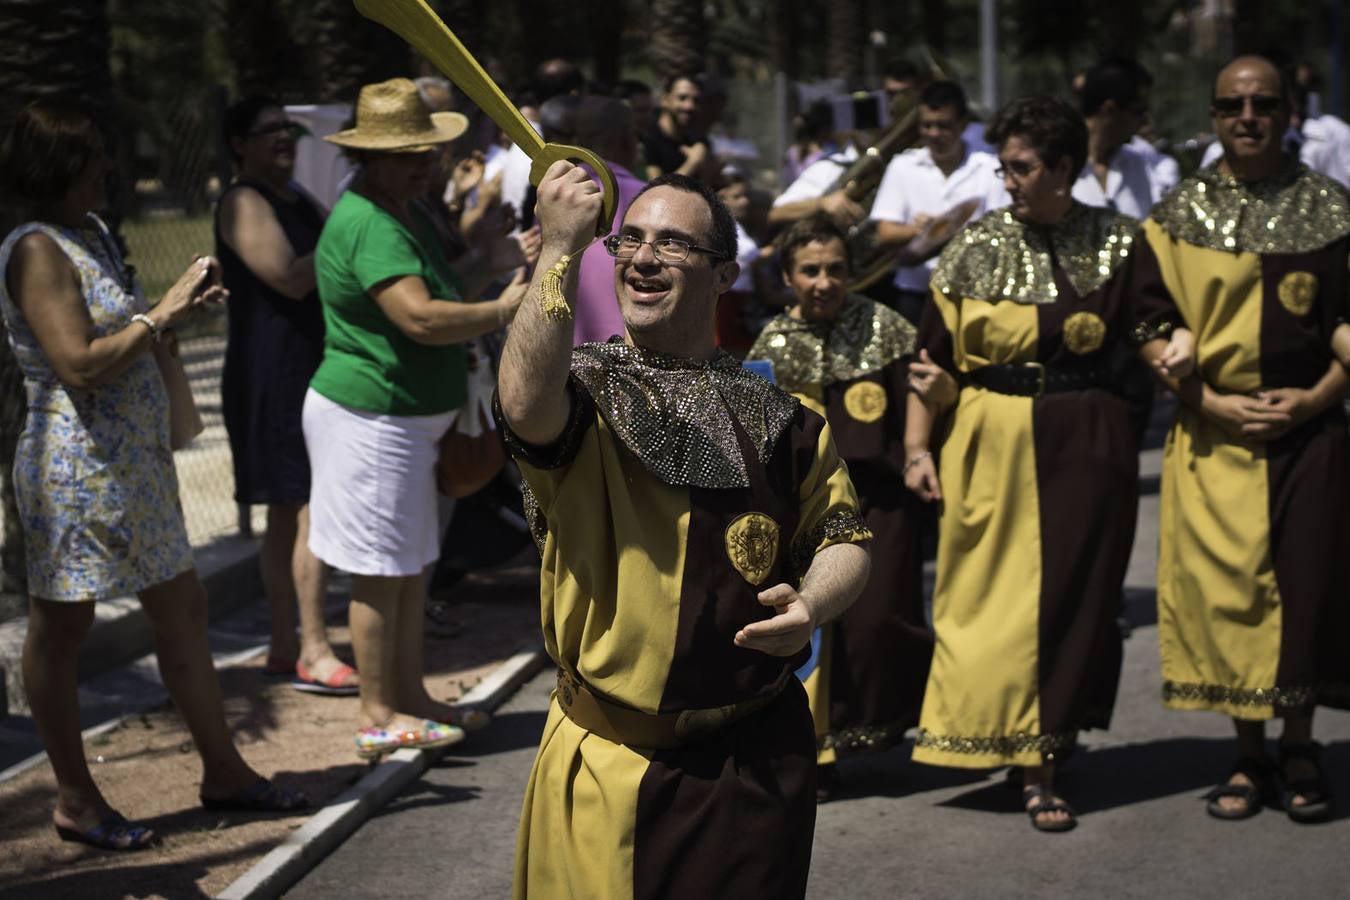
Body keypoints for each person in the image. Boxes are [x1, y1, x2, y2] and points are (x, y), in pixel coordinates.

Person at [496, 167, 872, 898]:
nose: (643, 258)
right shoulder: (583, 393)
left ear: (724, 273)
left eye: (673, 244)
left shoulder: (783, 415)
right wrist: (560, 250)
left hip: (758, 759)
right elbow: (523, 403)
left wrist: (813, 606)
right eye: (630, 238)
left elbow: (844, 536)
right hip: (615, 766)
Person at [0, 99, 307, 851]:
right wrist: (160, 312)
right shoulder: (36, 250)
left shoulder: (93, 233)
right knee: (63, 626)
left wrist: (177, 313)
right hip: (73, 470)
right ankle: (75, 795)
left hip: (136, 465)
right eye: (95, 155)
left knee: (183, 610)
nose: (110, 168)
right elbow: (77, 362)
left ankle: (225, 771)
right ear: (58, 168)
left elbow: (125, 335)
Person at [902, 95, 1145, 833]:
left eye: (1022, 167)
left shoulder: (1119, 241)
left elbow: (1155, 329)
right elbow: (929, 357)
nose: (1006, 179)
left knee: (1076, 595)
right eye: (1005, 165)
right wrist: (917, 446)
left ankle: (1044, 755)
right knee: (986, 602)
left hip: (1086, 437)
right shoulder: (975, 247)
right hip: (989, 439)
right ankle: (1007, 738)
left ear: (1063, 167)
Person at [1128, 55, 1350, 824]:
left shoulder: (1334, 210)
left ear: (1290, 112)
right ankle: (1249, 751)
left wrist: (1316, 396)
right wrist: (1210, 400)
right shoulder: (1175, 215)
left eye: (1263, 104)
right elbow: (1151, 321)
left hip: (1311, 432)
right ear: (1214, 116)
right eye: (1232, 105)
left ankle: (1299, 744)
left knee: (1307, 587)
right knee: (1230, 594)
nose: (1247, 117)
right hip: (1215, 432)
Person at [308, 78, 527, 759]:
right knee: (381, 571)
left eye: (425, 151)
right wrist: (500, 310)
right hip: (373, 420)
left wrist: (490, 263)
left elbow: (437, 292)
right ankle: (380, 710)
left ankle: (410, 697)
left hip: (400, 420)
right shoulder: (372, 221)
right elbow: (420, 316)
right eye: (407, 153)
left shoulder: (397, 210)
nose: (424, 163)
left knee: (407, 569)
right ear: (368, 156)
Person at [747, 214, 932, 800]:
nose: (823, 281)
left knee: (878, 620)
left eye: (835, 270)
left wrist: (917, 454)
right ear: (788, 277)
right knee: (813, 624)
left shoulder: (886, 327)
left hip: (880, 503)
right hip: (806, 510)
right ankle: (816, 748)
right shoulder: (769, 344)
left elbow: (918, 396)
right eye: (809, 270)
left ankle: (876, 730)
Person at [215, 96, 357, 696]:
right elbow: (290, 278)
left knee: (293, 512)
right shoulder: (243, 200)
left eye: (286, 127)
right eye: (267, 127)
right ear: (238, 145)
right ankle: (313, 649)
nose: (282, 136)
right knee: (300, 510)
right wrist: (355, 223)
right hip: (272, 375)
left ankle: (284, 646)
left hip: (308, 365)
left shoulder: (296, 196)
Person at [868, 80, 1008, 325]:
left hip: (972, 293)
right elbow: (884, 234)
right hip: (917, 294)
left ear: (963, 124)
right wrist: (923, 230)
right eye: (926, 125)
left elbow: (1003, 230)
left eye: (943, 126)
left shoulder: (989, 167)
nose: (933, 134)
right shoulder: (903, 166)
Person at [571, 95, 646, 345]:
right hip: (630, 364)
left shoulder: (554, 197)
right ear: (627, 140)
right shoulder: (649, 201)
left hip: (560, 363)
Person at [1073, 58, 1160, 221]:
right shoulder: (1056, 165)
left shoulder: (1136, 164)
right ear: (1110, 110)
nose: (1145, 122)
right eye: (1139, 111)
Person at [642, 74, 712, 181]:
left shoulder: (698, 141)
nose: (689, 106)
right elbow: (656, 191)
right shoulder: (649, 139)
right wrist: (693, 162)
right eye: (682, 98)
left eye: (696, 100)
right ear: (665, 100)